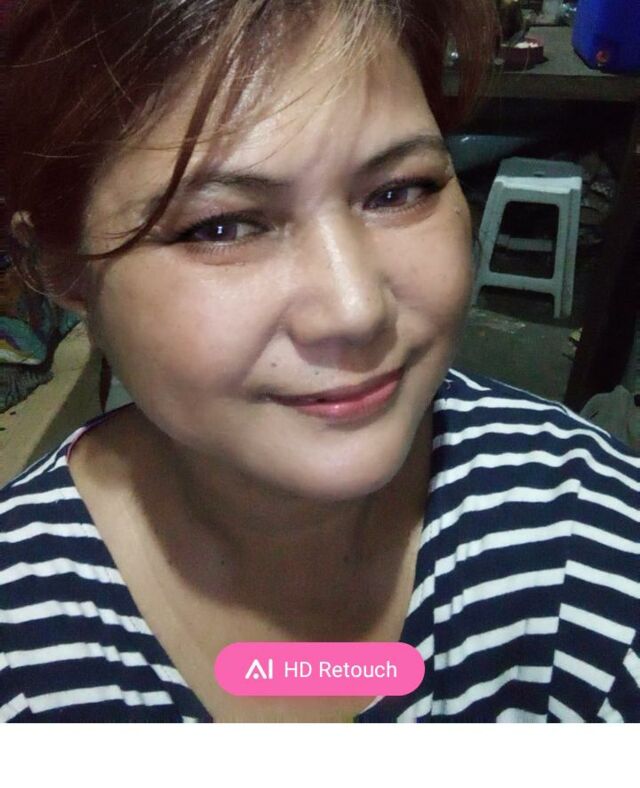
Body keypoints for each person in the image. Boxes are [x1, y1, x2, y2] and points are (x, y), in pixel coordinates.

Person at [1, 0, 638, 724]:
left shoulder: (585, 542)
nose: (355, 309)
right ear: (64, 271)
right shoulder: (23, 640)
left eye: (399, 191)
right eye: (222, 227)